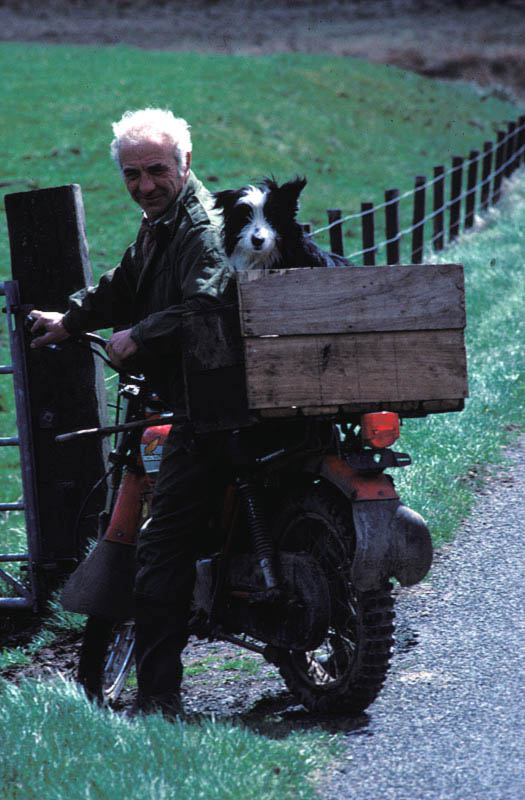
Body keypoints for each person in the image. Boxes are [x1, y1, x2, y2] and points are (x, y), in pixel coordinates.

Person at [30, 107, 235, 716]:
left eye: (155, 170)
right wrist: (70, 320)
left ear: (185, 164)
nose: (144, 185)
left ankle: (160, 702)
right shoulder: (159, 225)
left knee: (162, 547)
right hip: (191, 396)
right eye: (132, 174)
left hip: (212, 406)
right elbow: (125, 281)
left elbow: (206, 305)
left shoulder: (203, 229)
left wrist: (141, 335)